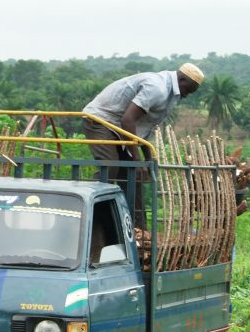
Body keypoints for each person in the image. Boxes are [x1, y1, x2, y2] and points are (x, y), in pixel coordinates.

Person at [82, 63, 205, 228]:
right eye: (189, 90)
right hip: (100, 120)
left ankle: (139, 232)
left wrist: (147, 161)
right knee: (110, 166)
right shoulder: (157, 88)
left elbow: (145, 126)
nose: (188, 94)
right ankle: (86, 212)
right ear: (182, 79)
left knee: (133, 176)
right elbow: (128, 120)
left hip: (119, 128)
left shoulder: (171, 94)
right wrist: (138, 159)